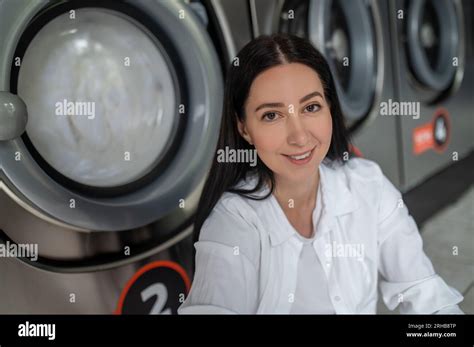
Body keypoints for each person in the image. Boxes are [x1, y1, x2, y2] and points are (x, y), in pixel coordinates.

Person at [178, 33, 464, 314]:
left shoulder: (367, 185)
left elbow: (422, 291)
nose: (299, 137)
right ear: (243, 128)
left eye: (311, 107)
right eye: (272, 115)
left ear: (330, 107)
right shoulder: (234, 222)